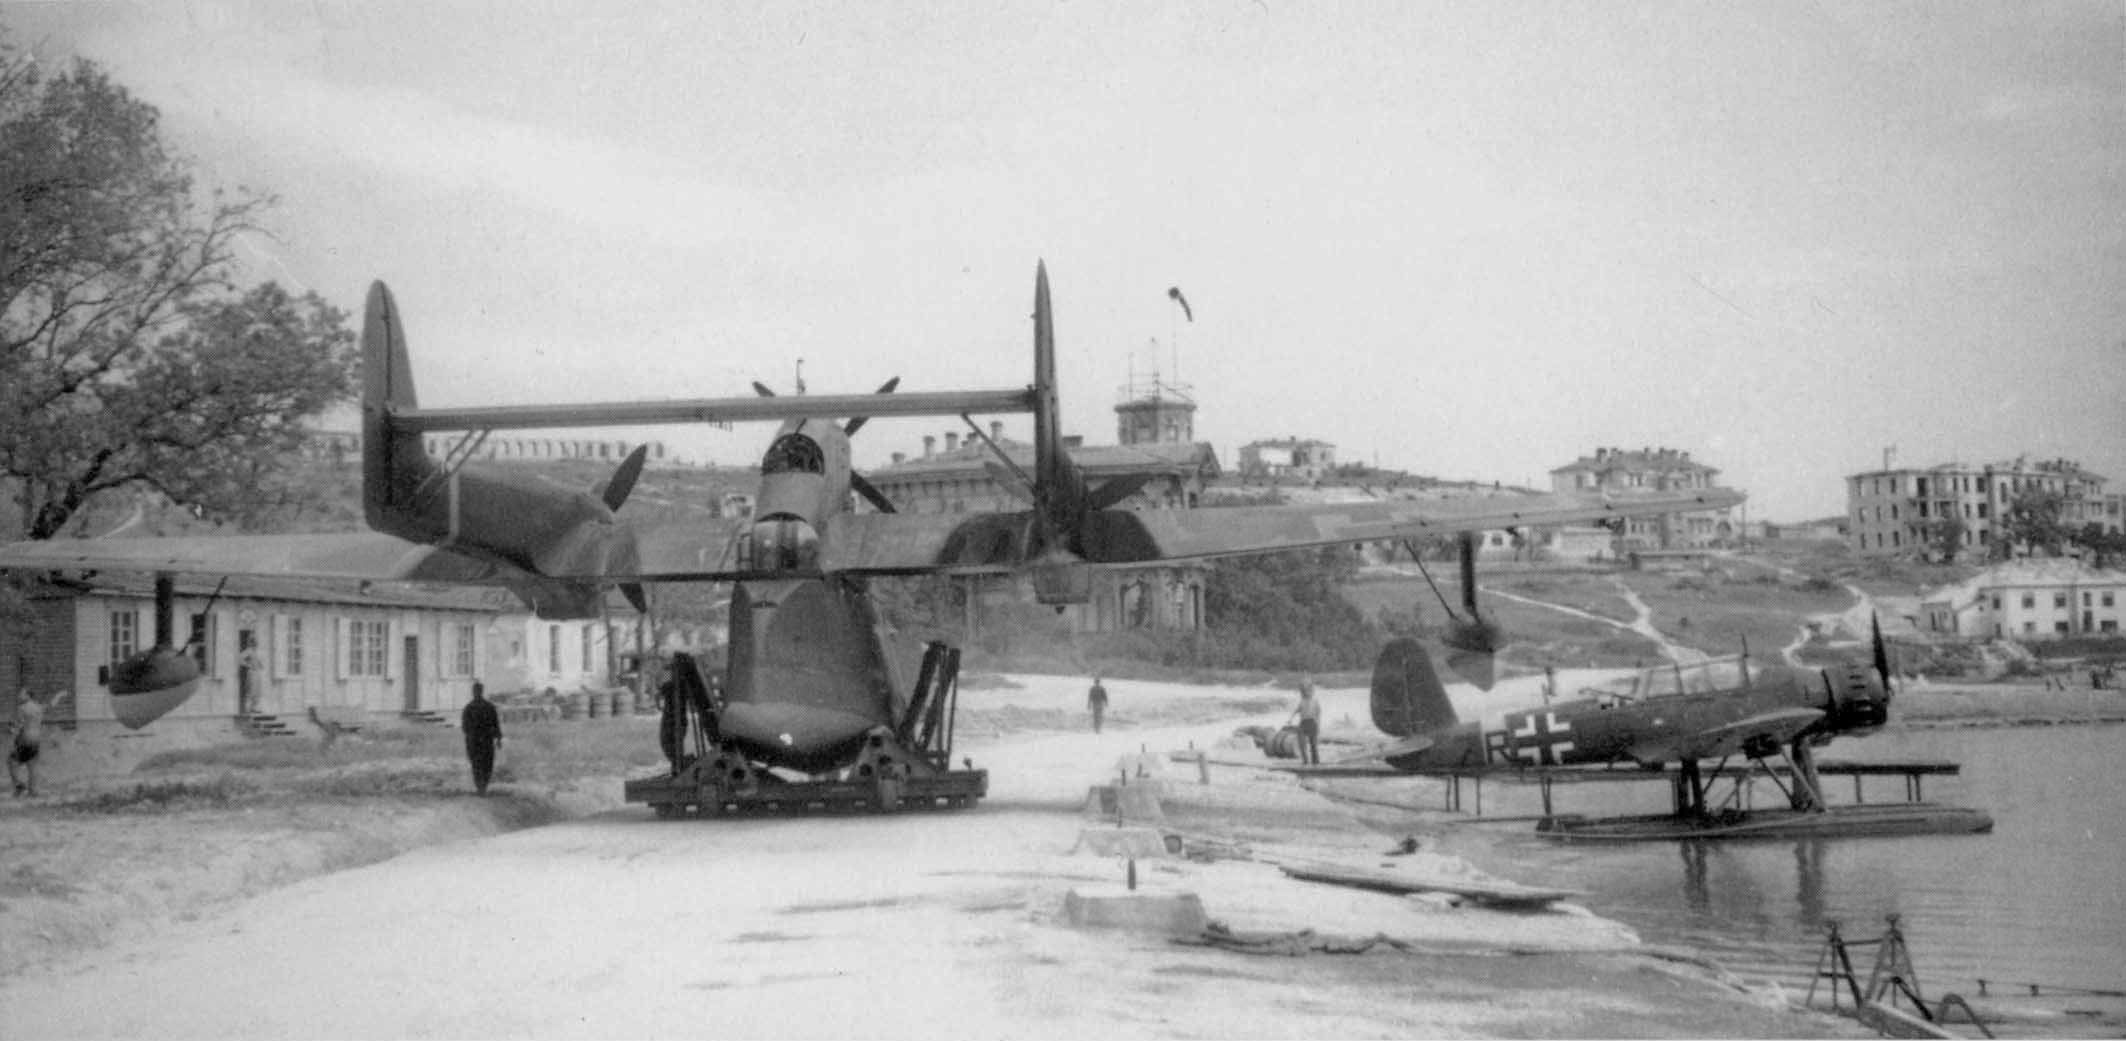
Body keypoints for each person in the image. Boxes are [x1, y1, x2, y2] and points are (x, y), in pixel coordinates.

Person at [10, 688, 71, 797]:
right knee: (32, 766)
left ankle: (19, 785)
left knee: (11, 762)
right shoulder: (38, 707)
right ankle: (32, 792)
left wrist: (13, 732)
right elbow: (52, 705)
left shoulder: (22, 708)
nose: (19, 696)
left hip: (25, 739)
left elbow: (18, 726)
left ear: (28, 695)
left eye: (22, 694)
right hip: (36, 739)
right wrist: (60, 694)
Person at [460, 682, 503, 796]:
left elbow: (495, 723)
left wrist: (498, 738)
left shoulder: (471, 707)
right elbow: (465, 727)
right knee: (482, 764)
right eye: (476, 691)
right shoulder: (485, 707)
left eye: (477, 691)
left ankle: (481, 786)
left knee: (481, 764)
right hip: (483, 740)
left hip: (478, 741)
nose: (476, 693)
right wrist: (498, 738)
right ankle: (482, 787)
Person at [1288, 676, 1321, 765]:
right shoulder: (1302, 701)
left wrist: (1318, 724)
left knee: (1313, 745)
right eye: (1304, 691)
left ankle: (1316, 762)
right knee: (1302, 744)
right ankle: (1305, 761)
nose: (1306, 693)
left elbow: (1318, 713)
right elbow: (1296, 710)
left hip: (1312, 723)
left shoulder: (1315, 701)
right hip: (1303, 723)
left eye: (1308, 690)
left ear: (1311, 691)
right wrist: (1290, 719)